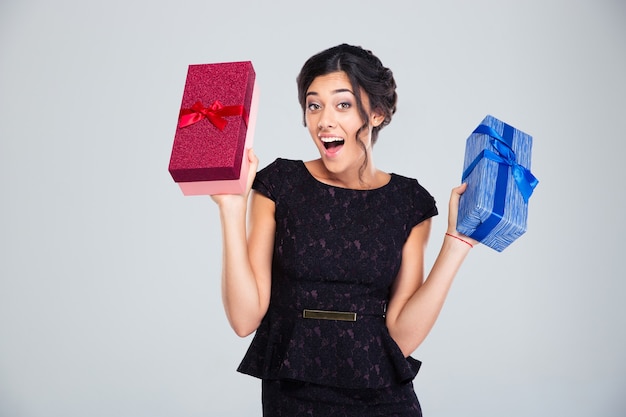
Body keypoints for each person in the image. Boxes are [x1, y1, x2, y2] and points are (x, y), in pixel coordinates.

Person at [211, 43, 476, 417]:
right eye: (314, 105)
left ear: (378, 114)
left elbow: (401, 337)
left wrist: (457, 243)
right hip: (293, 392)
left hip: (382, 395)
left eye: (344, 104)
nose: (324, 121)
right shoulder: (279, 184)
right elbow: (244, 319)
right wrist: (231, 209)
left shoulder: (409, 201)